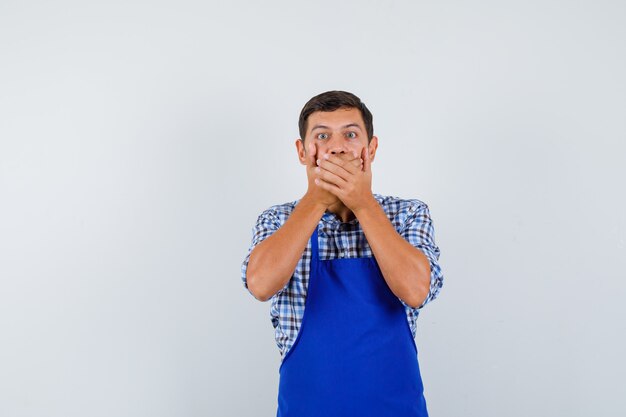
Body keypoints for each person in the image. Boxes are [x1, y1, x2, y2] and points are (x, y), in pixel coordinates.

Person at [240, 90, 444, 417]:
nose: (336, 147)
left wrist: (363, 203)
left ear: (371, 148)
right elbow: (261, 284)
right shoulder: (278, 220)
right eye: (322, 136)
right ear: (302, 152)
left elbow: (417, 291)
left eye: (350, 134)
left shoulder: (407, 215)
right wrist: (316, 200)